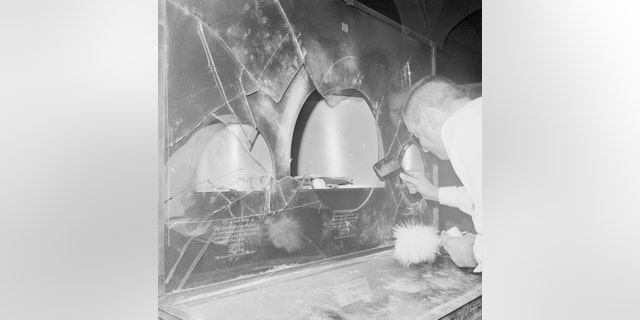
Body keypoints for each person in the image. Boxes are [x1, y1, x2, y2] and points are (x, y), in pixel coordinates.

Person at [399, 76, 482, 272]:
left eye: (418, 135)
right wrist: (433, 193)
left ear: (428, 118)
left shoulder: (462, 127)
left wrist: (474, 253)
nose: (424, 149)